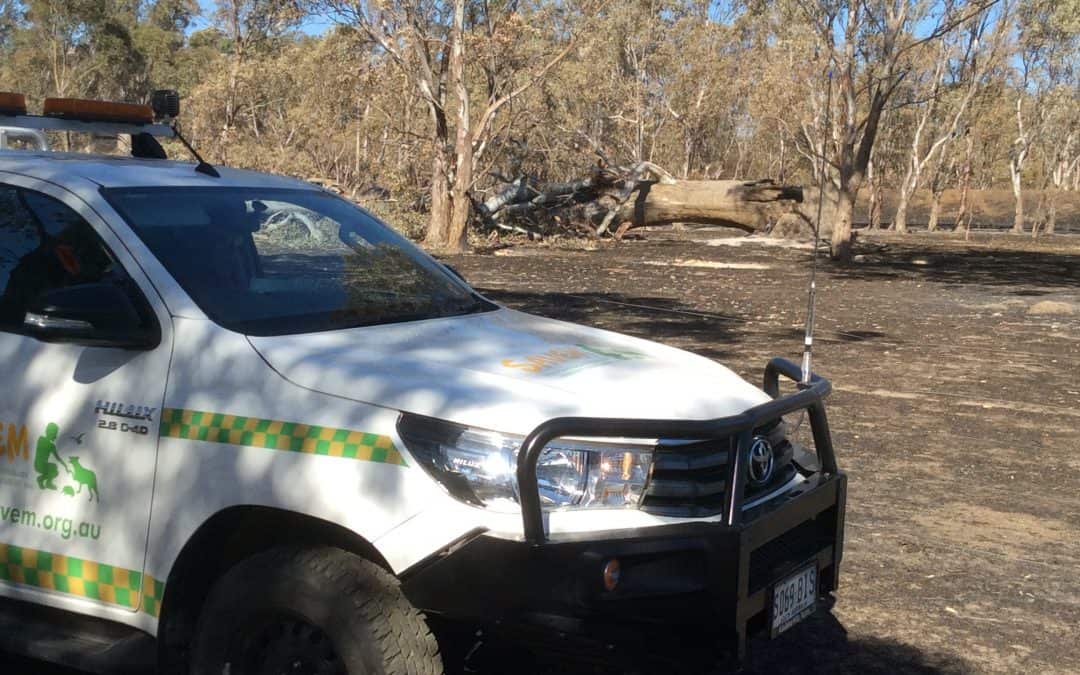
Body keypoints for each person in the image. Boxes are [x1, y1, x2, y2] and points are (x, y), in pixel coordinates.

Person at [34, 422, 69, 490]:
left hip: (41, 465)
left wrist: (65, 465)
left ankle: (41, 479)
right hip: (39, 465)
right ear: (49, 432)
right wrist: (65, 465)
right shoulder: (42, 440)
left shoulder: (50, 445)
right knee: (53, 469)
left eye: (56, 434)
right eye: (55, 434)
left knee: (55, 471)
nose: (55, 436)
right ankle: (45, 482)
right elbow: (57, 457)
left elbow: (57, 457)